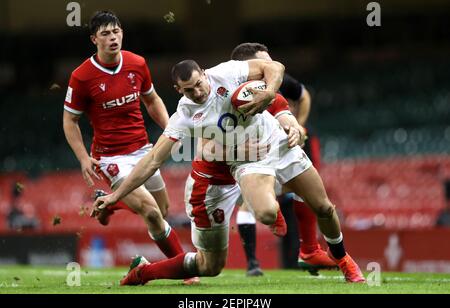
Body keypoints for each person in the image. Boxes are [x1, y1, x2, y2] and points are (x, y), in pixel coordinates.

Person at [94, 57, 365, 284]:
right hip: (248, 161)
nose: (198, 92)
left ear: (204, 73)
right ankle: (145, 272)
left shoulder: (227, 72)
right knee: (258, 221)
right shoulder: (185, 116)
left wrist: (273, 97)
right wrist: (116, 196)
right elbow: (153, 160)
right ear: (179, 90)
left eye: (199, 84)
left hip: (278, 143)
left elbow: (276, 68)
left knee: (325, 208)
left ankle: (343, 259)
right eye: (189, 90)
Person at [62, 11, 198, 284]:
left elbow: (152, 100)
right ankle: (187, 272)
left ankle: (110, 204)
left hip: (143, 150)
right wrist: (82, 158)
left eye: (116, 32)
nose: (113, 38)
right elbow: (70, 119)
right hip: (111, 158)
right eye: (105, 34)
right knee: (150, 211)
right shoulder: (82, 77)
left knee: (162, 210)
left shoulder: (137, 64)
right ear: (94, 39)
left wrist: (172, 128)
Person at [230, 43, 336, 275]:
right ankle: (252, 263)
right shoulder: (225, 90)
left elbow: (303, 95)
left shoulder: (277, 78)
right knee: (252, 205)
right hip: (247, 153)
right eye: (263, 62)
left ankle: (309, 250)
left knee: (308, 195)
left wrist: (299, 125)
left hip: (284, 142)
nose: (271, 67)